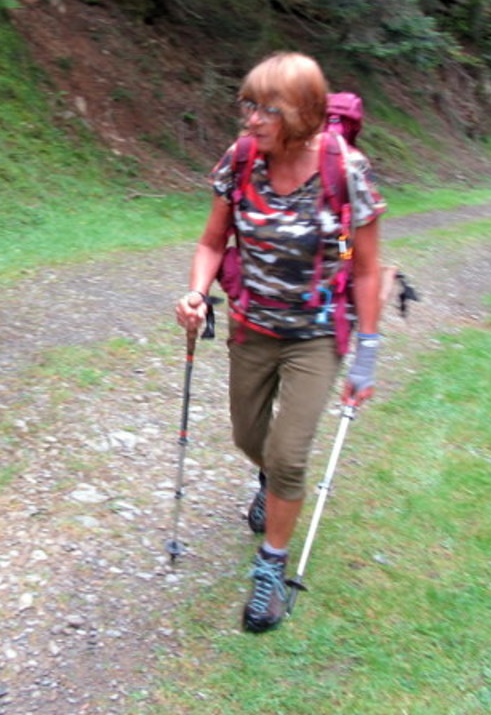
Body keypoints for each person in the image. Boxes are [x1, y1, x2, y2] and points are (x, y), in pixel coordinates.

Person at [175, 52, 386, 633]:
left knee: (289, 455)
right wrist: (196, 292)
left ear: (303, 113)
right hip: (253, 326)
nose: (252, 119)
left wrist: (367, 354)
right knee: (250, 437)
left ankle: (271, 568)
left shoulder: (347, 170)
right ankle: (269, 482)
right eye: (248, 104)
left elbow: (366, 269)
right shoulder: (241, 159)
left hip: (316, 335)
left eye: (267, 109)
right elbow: (212, 242)